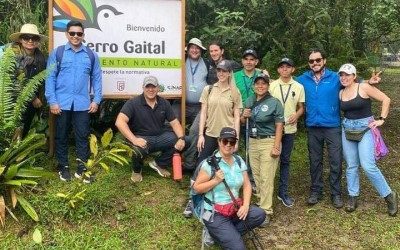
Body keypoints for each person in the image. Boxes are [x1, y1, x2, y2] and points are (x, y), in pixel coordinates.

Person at [297, 48, 381, 208]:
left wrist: (370, 82)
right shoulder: (303, 79)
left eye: (318, 60)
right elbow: (288, 81)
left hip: (333, 126)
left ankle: (336, 194)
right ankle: (316, 191)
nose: (315, 63)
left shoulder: (336, 77)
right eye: (311, 61)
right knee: (315, 161)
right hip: (313, 127)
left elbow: (354, 82)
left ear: (324, 61)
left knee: (335, 161)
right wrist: (267, 77)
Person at [45, 20, 102, 182]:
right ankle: (63, 167)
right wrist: (52, 101)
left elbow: (97, 79)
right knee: (61, 135)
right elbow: (50, 78)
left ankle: (82, 168)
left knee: (82, 136)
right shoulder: (58, 53)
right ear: (67, 34)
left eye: (79, 33)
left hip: (83, 104)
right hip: (61, 103)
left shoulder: (91, 55)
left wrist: (96, 100)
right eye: (72, 33)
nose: (76, 36)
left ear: (83, 35)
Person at [338, 63, 397, 216]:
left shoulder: (363, 87)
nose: (344, 77)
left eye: (347, 74)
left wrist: (381, 119)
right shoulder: (341, 92)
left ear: (354, 76)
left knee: (368, 165)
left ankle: (389, 196)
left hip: (365, 129)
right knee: (351, 165)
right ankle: (353, 196)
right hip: (347, 129)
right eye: (342, 75)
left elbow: (386, 99)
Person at [193, 127, 266, 249]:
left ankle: (228, 234)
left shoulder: (238, 160)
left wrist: (246, 205)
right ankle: (218, 233)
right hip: (214, 213)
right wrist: (215, 181)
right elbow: (197, 188)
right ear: (219, 141)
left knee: (259, 214)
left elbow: (247, 184)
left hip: (233, 209)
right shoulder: (209, 163)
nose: (228, 145)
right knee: (239, 248)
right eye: (225, 141)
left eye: (232, 142)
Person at [115, 76, 186, 183]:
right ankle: (137, 170)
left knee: (184, 141)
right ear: (143, 88)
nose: (151, 90)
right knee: (136, 149)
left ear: (158, 88)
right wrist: (134, 140)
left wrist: (181, 138)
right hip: (142, 138)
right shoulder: (133, 103)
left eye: (153, 87)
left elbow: (175, 123)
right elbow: (119, 122)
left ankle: (159, 163)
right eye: (148, 87)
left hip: (160, 137)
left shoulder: (164, 103)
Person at [241, 73, 284, 225]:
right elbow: (242, 120)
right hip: (253, 142)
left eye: (263, 83)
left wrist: (276, 146)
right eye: (257, 83)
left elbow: (279, 125)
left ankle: (266, 211)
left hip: (268, 141)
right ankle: (260, 204)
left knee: (266, 177)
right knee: (257, 176)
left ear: (268, 85)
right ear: (254, 86)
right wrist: (243, 115)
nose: (260, 86)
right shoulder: (250, 100)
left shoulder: (274, 102)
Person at [269, 58, 305, 207]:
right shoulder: (272, 86)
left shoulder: (298, 86)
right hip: (272, 129)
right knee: (270, 160)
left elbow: (301, 107)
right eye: (282, 67)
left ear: (292, 69)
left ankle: (282, 192)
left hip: (290, 129)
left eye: (287, 67)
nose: (284, 69)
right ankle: (267, 191)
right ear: (278, 70)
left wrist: (297, 115)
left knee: (285, 160)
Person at [197, 59, 242, 164]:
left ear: (229, 73)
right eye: (219, 71)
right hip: (210, 133)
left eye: (224, 71)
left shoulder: (235, 92)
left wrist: (237, 139)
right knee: (202, 164)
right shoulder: (208, 89)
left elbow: (236, 117)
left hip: (227, 136)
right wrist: (200, 135)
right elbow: (203, 113)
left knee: (225, 165)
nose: (221, 73)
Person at [175, 38, 209, 172]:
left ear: (201, 50)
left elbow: (227, 69)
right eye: (192, 47)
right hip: (182, 103)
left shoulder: (207, 63)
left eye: (197, 48)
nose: (194, 50)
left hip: (201, 106)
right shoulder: (181, 61)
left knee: (195, 131)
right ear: (187, 50)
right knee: (170, 123)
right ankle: (174, 154)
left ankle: (189, 163)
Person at [8, 23, 47, 138]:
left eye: (34, 38)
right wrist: (33, 97)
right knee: (13, 131)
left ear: (38, 41)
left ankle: (21, 155)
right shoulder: (11, 56)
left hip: (31, 103)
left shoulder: (40, 58)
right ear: (20, 39)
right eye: (26, 37)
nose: (30, 41)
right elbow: (13, 81)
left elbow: (41, 80)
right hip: (12, 101)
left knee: (25, 128)